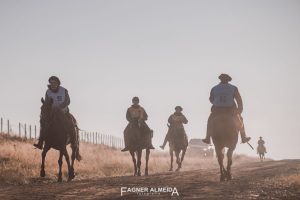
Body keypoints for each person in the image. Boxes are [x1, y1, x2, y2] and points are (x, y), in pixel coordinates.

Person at [202, 73, 251, 144]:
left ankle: (207, 137)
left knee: (210, 121)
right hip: (230, 110)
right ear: (228, 80)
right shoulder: (233, 88)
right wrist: (240, 109)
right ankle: (243, 137)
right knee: (240, 121)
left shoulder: (214, 88)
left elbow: (211, 99)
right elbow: (239, 99)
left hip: (217, 110)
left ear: (220, 79)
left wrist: (217, 102)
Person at [34, 76, 79, 150]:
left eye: (54, 83)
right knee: (43, 122)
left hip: (63, 111)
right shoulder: (48, 92)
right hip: (52, 112)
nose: (53, 84)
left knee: (70, 124)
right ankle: (40, 142)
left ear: (58, 83)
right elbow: (47, 102)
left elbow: (68, 101)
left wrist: (61, 107)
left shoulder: (64, 90)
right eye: (51, 83)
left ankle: (74, 142)